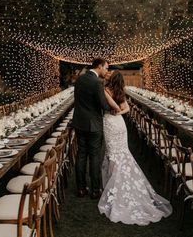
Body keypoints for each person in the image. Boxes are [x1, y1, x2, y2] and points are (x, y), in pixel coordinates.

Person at [98, 70, 172, 225]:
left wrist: (114, 109)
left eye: (110, 73)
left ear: (113, 79)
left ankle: (113, 188)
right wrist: (118, 112)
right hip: (119, 123)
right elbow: (127, 109)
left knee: (113, 154)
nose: (108, 73)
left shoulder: (106, 90)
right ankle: (113, 186)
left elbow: (116, 107)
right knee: (120, 154)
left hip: (111, 123)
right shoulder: (120, 91)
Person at [72, 58, 120, 199]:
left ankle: (81, 189)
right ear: (99, 66)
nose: (106, 71)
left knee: (81, 155)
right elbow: (103, 105)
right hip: (94, 125)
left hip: (79, 122)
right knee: (94, 156)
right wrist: (113, 105)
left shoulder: (79, 80)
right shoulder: (97, 83)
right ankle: (95, 190)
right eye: (106, 68)